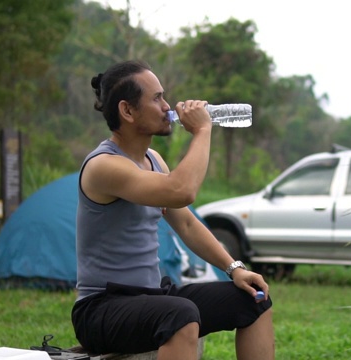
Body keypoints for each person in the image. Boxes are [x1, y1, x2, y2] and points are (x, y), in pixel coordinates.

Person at [71, 60, 274, 360]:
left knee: (253, 299)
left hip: (150, 296)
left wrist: (235, 269)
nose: (168, 106)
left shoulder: (153, 159)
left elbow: (187, 224)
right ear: (127, 111)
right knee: (180, 314)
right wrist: (203, 130)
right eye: (156, 98)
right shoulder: (103, 166)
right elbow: (182, 191)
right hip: (102, 308)